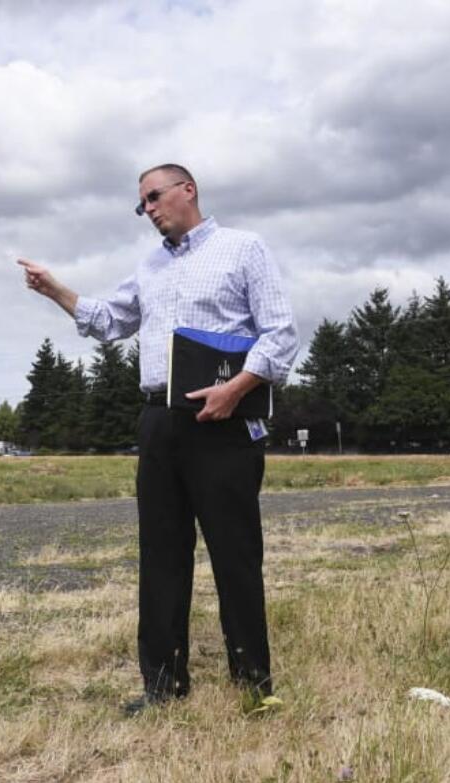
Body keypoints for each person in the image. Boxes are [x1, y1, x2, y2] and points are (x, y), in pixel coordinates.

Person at [18, 163, 298, 713]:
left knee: (234, 554)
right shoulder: (149, 267)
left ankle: (252, 681)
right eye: (141, 204)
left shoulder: (244, 249)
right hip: (160, 422)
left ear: (187, 190)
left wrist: (236, 389)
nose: (148, 210)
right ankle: (163, 685)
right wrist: (55, 290)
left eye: (154, 197)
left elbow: (281, 332)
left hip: (225, 421)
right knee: (162, 556)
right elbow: (108, 321)